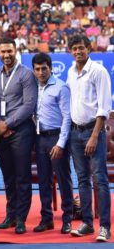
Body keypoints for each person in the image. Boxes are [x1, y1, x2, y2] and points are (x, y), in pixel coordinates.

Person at [67, 35, 112, 242]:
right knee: (83, 180)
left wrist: (94, 136)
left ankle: (104, 227)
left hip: (93, 132)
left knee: (100, 180)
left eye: (81, 48)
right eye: (74, 49)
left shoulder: (99, 71)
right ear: (71, 51)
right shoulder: (70, 72)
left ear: (89, 48)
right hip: (75, 133)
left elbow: (103, 108)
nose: (78, 52)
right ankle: (86, 223)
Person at [0, 37, 37, 234]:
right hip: (1, 133)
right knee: (8, 177)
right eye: (3, 52)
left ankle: (21, 219)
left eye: (9, 51)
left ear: (16, 50)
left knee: (22, 177)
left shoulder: (26, 75)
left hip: (22, 132)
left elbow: (29, 106)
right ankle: (10, 215)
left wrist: (7, 124)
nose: (6, 55)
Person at [31, 52, 73, 234]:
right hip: (40, 139)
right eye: (37, 69)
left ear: (51, 68)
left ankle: (68, 219)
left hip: (57, 139)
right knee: (44, 181)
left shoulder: (61, 87)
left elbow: (67, 117)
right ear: (34, 70)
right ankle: (46, 219)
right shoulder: (33, 88)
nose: (41, 72)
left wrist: (61, 144)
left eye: (44, 68)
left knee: (64, 180)